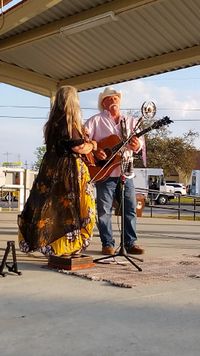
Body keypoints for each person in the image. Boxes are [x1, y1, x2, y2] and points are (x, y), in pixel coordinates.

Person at [18, 85, 97, 256]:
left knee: (52, 208)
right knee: (77, 208)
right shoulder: (68, 124)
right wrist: (93, 145)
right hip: (69, 171)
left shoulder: (52, 123)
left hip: (51, 169)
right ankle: (68, 246)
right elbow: (80, 148)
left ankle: (57, 245)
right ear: (73, 102)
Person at [84, 87, 144, 256]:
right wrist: (96, 151)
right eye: (108, 99)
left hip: (126, 171)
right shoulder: (95, 121)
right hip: (105, 173)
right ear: (103, 103)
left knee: (130, 208)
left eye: (115, 98)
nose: (113, 101)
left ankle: (130, 243)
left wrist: (136, 145)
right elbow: (83, 138)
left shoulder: (131, 121)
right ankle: (107, 243)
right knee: (103, 209)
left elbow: (141, 144)